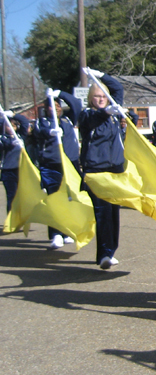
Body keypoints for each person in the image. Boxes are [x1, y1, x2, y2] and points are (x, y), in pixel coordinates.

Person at [79, 69, 127, 268]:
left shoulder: (114, 114)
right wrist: (106, 111)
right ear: (91, 98)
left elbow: (118, 88)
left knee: (113, 213)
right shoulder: (87, 115)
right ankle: (104, 253)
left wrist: (101, 75)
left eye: (103, 97)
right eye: (97, 96)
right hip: (95, 171)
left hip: (114, 170)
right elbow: (94, 118)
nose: (100, 99)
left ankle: (109, 250)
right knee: (103, 213)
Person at [33, 88, 83, 249]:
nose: (56, 108)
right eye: (52, 106)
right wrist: (50, 132)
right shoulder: (42, 122)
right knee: (55, 199)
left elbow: (76, 104)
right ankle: (55, 234)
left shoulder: (68, 120)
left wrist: (60, 93)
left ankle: (67, 231)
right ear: (46, 109)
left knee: (70, 198)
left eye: (58, 105)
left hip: (70, 165)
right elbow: (38, 132)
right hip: (51, 166)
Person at [1, 113, 29, 213]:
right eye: (8, 125)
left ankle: (21, 217)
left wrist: (13, 115)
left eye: (13, 125)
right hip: (8, 171)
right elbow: (4, 145)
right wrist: (11, 142)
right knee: (12, 196)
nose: (12, 128)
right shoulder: (2, 138)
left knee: (23, 195)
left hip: (21, 169)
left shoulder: (20, 136)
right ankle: (11, 220)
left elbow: (25, 122)